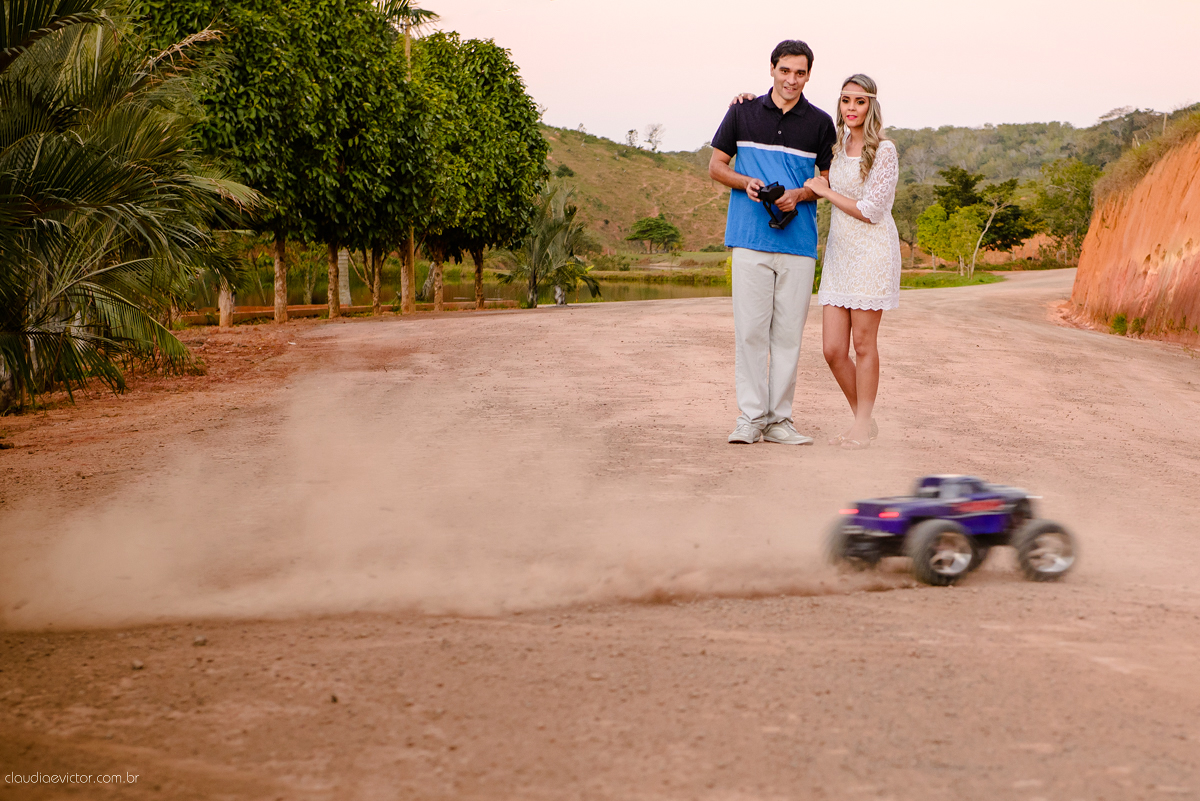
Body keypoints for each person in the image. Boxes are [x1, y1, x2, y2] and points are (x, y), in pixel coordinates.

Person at [708, 40, 837, 445]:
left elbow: (829, 182)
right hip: (748, 239)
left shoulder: (820, 123)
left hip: (799, 244)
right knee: (749, 332)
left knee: (787, 336)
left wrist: (799, 194)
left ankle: (780, 420)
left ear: (809, 75)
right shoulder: (741, 112)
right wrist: (746, 182)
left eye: (800, 73)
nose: (791, 80)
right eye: (785, 71)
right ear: (772, 69)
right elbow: (715, 166)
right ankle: (749, 418)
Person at [803, 74, 901, 450]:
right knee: (831, 349)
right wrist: (744, 101)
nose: (851, 109)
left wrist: (826, 192)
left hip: (872, 250)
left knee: (863, 345)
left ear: (871, 106)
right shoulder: (835, 144)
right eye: (846, 101)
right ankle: (866, 418)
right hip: (841, 251)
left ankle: (860, 425)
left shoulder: (885, 150)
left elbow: (872, 210)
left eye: (859, 102)